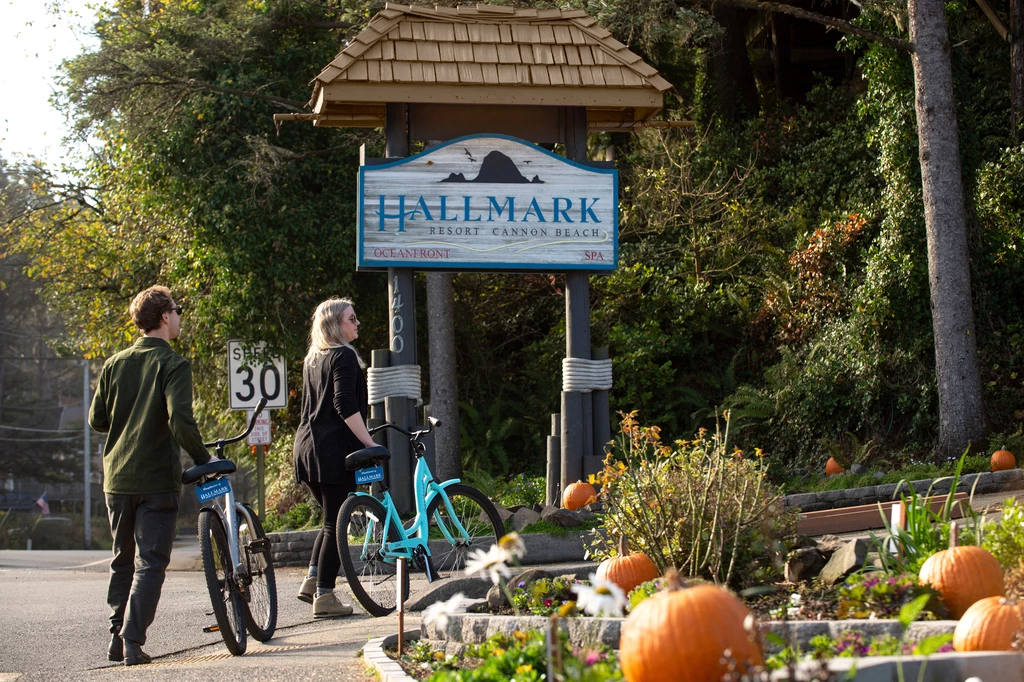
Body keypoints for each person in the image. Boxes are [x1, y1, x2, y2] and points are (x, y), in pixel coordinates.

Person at [89, 286, 216, 666]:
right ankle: (132, 640)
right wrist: (204, 459)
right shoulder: (173, 364)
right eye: (176, 310)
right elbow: (180, 420)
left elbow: (97, 420)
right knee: (151, 561)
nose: (179, 317)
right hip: (156, 479)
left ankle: (116, 637)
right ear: (163, 316)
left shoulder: (114, 364)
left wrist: (128, 420)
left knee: (122, 559)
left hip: (116, 478)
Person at [293, 297, 376, 618]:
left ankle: (313, 580)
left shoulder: (313, 358)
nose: (357, 323)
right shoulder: (343, 356)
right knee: (336, 525)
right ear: (334, 325)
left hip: (306, 449)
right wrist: (368, 442)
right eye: (351, 319)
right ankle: (325, 597)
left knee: (331, 521)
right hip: (331, 452)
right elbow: (344, 405)